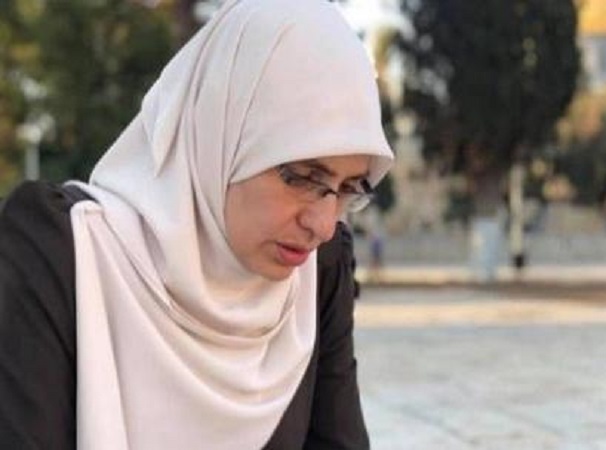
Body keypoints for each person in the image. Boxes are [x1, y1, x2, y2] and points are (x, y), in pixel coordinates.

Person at [0, 0, 393, 448]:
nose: (322, 224)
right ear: (219, 133)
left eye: (348, 189)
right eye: (303, 177)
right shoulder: (60, 255)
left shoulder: (318, 269)